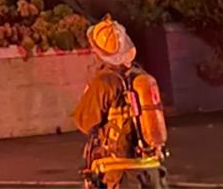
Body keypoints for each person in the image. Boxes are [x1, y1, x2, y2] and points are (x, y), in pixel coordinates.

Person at [72, 15, 168, 189]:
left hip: (120, 174)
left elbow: (84, 122)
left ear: (98, 52)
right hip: (151, 170)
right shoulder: (143, 78)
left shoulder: (104, 83)